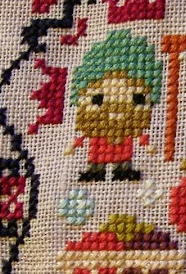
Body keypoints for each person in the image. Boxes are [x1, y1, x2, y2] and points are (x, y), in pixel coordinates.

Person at [66, 30, 162, 181]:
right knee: (97, 157)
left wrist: (147, 145)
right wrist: (73, 145)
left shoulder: (130, 125)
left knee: (123, 158)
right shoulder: (95, 125)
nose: (116, 105)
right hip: (98, 146)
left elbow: (141, 137)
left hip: (122, 147)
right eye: (98, 99)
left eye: (136, 99)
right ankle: (96, 170)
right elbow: (82, 137)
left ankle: (122, 169)